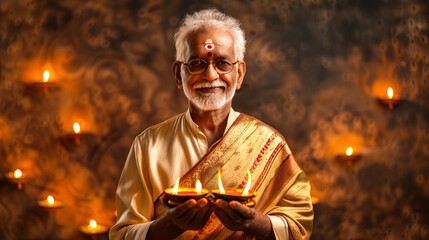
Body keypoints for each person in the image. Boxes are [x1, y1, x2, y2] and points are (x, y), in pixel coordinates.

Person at [110, 9, 313, 240]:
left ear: (239, 74)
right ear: (178, 74)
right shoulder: (148, 145)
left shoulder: (270, 143)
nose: (210, 74)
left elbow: (299, 227)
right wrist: (170, 226)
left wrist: (254, 224)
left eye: (222, 63)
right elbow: (123, 235)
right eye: (196, 63)